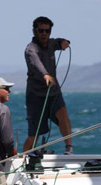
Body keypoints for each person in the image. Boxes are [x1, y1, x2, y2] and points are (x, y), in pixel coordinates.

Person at [23, 16, 73, 154]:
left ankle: (69, 148)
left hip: (53, 92)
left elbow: (61, 42)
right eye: (41, 31)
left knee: (63, 115)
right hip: (35, 96)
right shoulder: (30, 49)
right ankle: (22, 159)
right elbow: (35, 63)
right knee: (34, 135)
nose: (44, 33)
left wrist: (65, 42)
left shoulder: (52, 43)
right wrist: (45, 75)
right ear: (34, 31)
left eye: (47, 30)